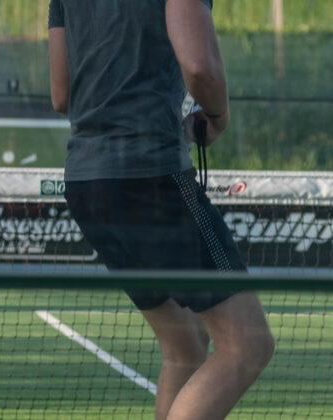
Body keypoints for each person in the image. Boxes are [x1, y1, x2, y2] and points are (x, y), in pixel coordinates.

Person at [48, 0, 274, 418]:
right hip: (152, 177)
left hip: (87, 183)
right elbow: (200, 66)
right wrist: (218, 115)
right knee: (248, 344)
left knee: (185, 348)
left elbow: (62, 96)